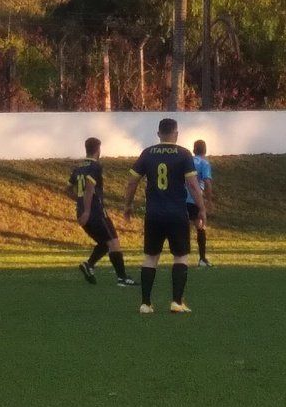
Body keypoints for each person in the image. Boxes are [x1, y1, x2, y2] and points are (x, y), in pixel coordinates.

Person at [122, 117, 203, 314]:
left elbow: (132, 182)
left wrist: (128, 205)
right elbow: (193, 185)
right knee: (180, 256)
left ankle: (145, 304)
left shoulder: (147, 153)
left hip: (154, 214)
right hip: (177, 214)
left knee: (150, 257)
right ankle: (176, 302)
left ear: (158, 134)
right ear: (176, 134)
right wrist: (201, 207)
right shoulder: (184, 154)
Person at [71, 137, 134, 286]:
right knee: (114, 242)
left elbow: (68, 189)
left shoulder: (78, 167)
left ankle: (89, 265)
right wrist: (87, 210)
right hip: (95, 212)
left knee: (104, 243)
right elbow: (89, 187)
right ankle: (122, 278)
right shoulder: (95, 166)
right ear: (98, 150)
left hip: (81, 212)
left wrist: (80, 203)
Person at [188, 138, 215, 267]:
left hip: (182, 198)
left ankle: (180, 258)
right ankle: (202, 259)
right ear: (205, 150)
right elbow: (207, 182)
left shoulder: (188, 161)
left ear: (194, 150)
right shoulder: (204, 163)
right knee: (200, 226)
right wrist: (209, 200)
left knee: (183, 228)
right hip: (196, 199)